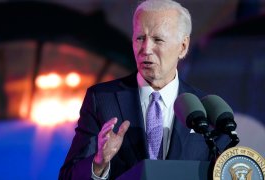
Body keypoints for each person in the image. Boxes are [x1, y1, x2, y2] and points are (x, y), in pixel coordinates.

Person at [59, 0, 229, 179]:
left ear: (183, 46)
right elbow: (68, 176)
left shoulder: (206, 110)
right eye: (140, 38)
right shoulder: (102, 99)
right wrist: (99, 162)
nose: (146, 49)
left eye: (158, 40)